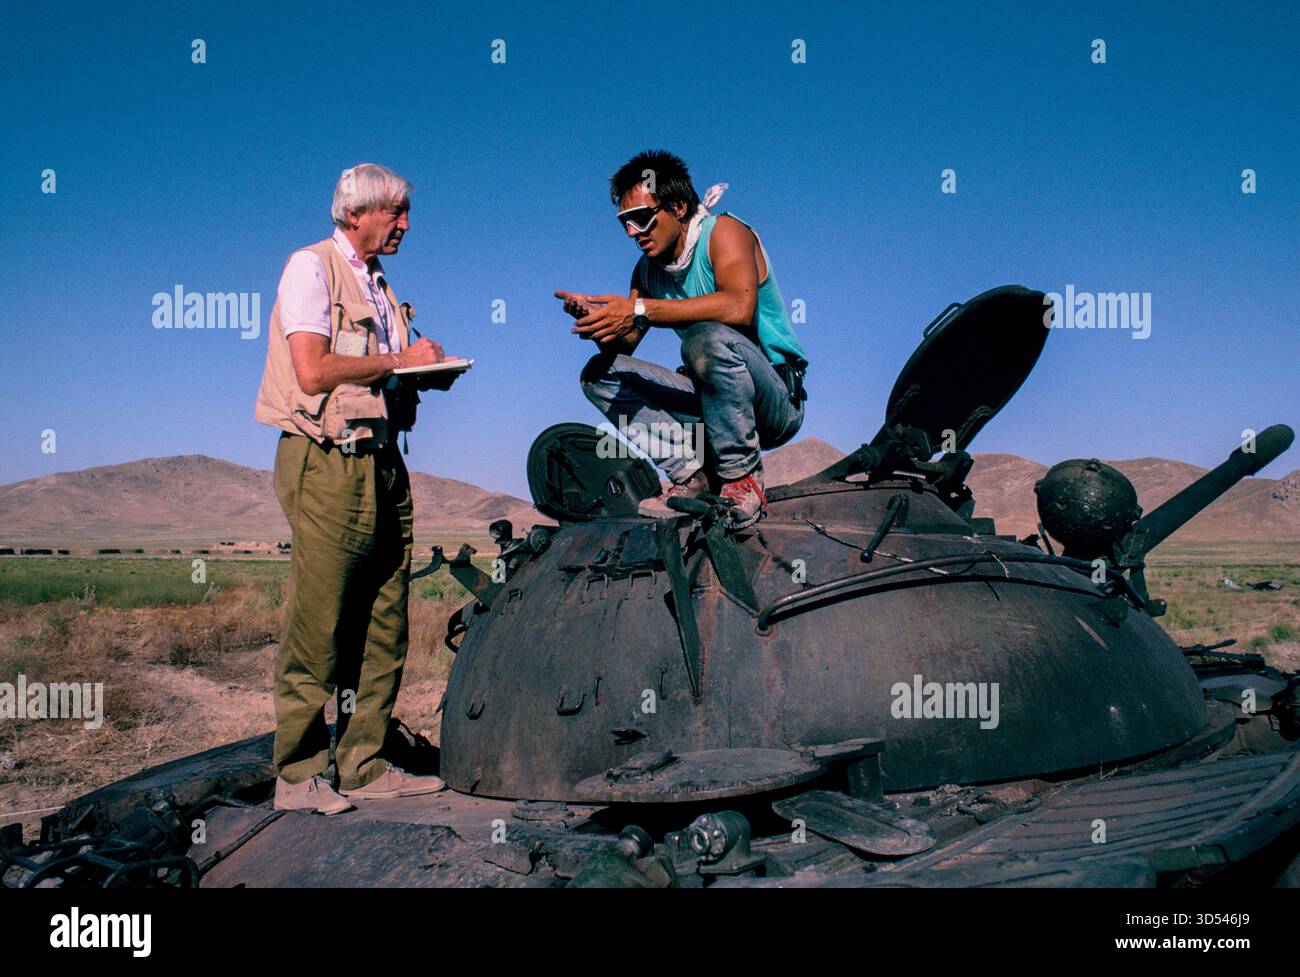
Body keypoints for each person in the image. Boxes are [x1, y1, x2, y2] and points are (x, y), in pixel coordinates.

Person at [253, 163, 454, 814]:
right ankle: (299, 774)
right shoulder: (310, 268)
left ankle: (363, 762)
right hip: (326, 459)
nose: (405, 224)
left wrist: (425, 372)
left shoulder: (380, 285)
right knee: (321, 621)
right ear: (355, 215)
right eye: (395, 212)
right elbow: (313, 370)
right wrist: (402, 360)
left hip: (382, 460)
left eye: (405, 212)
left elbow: (376, 375)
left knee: (385, 618)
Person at [557, 149, 808, 527]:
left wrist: (638, 309)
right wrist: (599, 323)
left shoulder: (724, 233)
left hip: (773, 402)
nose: (631, 233)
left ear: (676, 207)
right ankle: (691, 476)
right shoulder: (647, 270)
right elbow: (623, 347)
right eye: (624, 222)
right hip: (711, 404)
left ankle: (742, 479)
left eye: (641, 219)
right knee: (599, 373)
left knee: (704, 338)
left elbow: (737, 307)